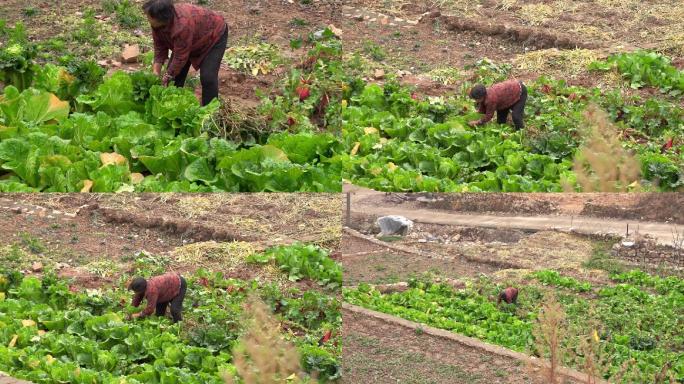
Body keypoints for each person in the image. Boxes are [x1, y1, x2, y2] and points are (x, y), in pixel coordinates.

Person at [143, 0, 228, 106]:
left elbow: (180, 57)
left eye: (149, 17)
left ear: (162, 18)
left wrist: (167, 76)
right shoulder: (156, 24)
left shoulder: (182, 25)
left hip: (213, 36)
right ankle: (172, 108)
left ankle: (211, 113)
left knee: (208, 77)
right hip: (188, 41)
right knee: (173, 79)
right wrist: (156, 73)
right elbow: (159, 48)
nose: (147, 19)